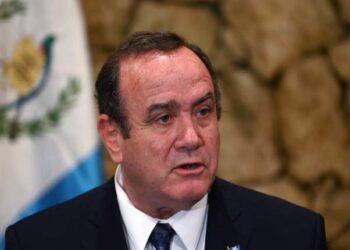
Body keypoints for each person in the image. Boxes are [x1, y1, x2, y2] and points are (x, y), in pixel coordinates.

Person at [5, 32, 327, 250]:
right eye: (164, 118)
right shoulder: (38, 242)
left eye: (203, 111)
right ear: (113, 137)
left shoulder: (293, 236)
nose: (191, 138)